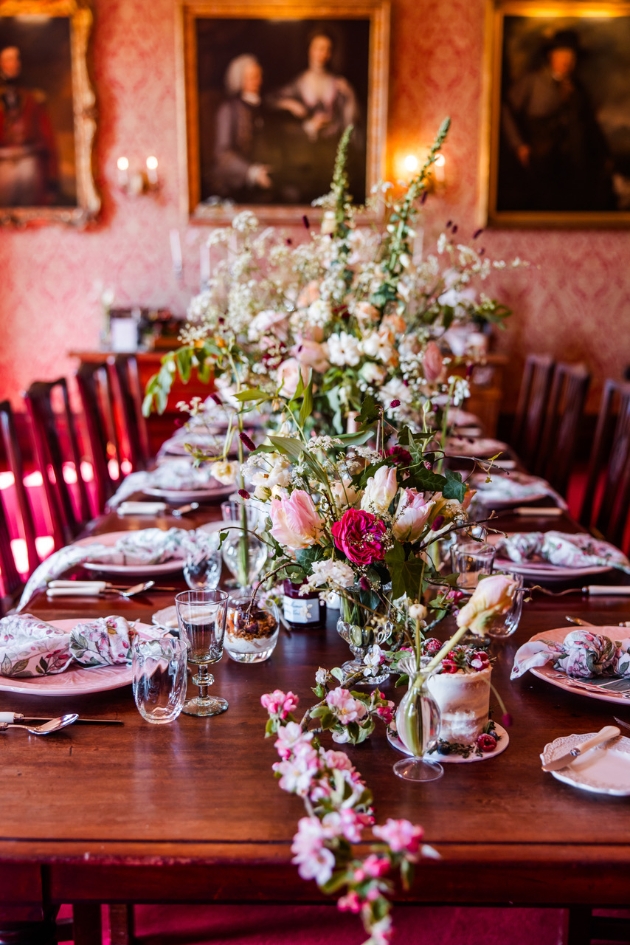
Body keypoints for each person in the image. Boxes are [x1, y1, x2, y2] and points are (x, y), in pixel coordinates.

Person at [500, 29, 615, 212]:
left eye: (571, 55)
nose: (566, 60)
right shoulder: (532, 82)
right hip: (540, 162)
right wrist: (518, 145)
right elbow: (506, 110)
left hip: (574, 167)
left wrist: (605, 157)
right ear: (551, 56)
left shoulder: (578, 89)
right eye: (562, 53)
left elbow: (590, 125)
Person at [270, 31, 360, 203]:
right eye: (318, 48)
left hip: (330, 150)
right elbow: (271, 101)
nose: (322, 54)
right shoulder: (300, 82)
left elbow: (350, 121)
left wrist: (350, 96)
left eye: (327, 49)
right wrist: (291, 105)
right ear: (310, 50)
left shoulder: (337, 83)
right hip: (304, 152)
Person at [211, 54, 277, 202]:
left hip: (263, 186)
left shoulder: (264, 108)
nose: (258, 81)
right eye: (252, 77)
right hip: (233, 188)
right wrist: (251, 172)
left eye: (259, 76)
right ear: (240, 79)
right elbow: (223, 155)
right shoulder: (229, 110)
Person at [0, 45, 59, 206]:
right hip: (3, 165)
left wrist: (52, 179)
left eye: (16, 59)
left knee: (32, 211)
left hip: (29, 164)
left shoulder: (33, 98)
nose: (14, 64)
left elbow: (47, 138)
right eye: (8, 60)